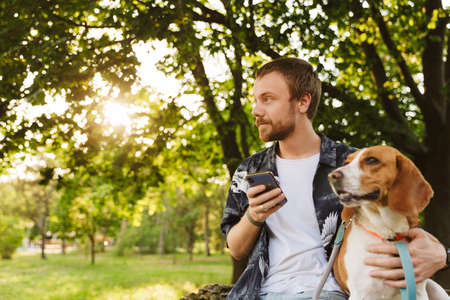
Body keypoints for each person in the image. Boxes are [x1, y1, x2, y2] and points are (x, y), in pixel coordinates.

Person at [220, 57, 448, 300]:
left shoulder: (352, 165)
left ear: (303, 102)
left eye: (268, 99)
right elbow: (236, 249)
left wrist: (441, 253)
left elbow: (401, 220)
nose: (256, 110)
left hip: (330, 292)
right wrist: (254, 215)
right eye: (256, 100)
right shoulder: (251, 169)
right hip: (260, 292)